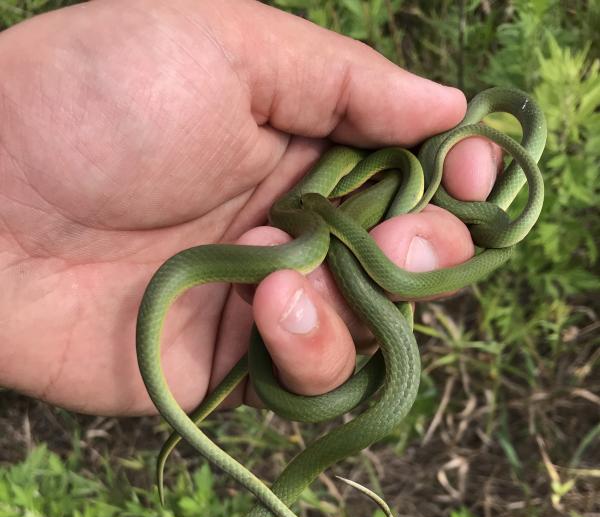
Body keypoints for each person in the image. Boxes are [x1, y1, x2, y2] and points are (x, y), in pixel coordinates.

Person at [0, 0, 502, 417]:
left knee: (366, 284)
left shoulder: (357, 191)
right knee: (364, 275)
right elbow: (311, 217)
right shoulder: (313, 214)